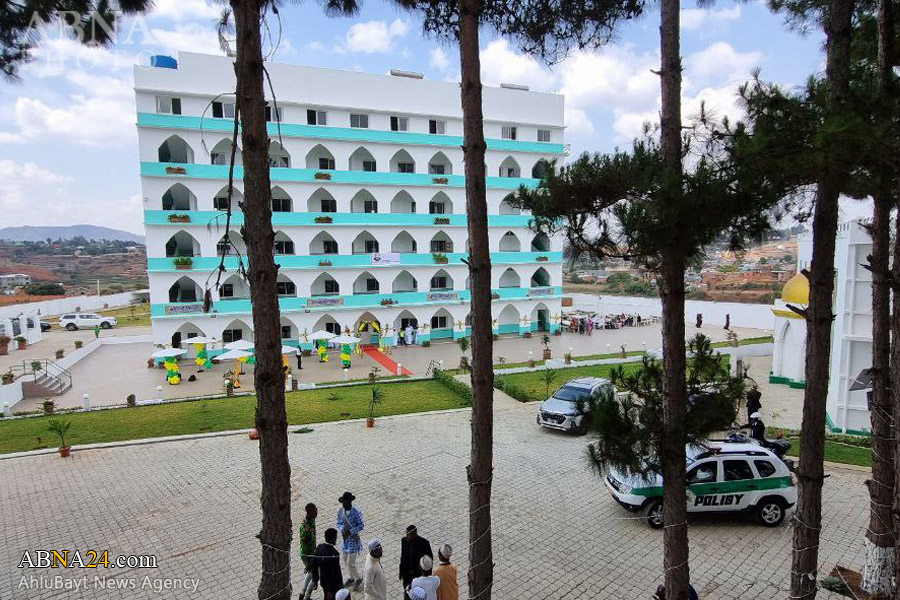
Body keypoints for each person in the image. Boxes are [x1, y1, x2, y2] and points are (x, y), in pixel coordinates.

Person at [337, 492, 365, 592]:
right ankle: (351, 577)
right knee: (344, 559)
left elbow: (361, 526)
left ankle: (358, 578)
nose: (344, 504)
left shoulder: (356, 512)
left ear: (350, 502)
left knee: (351, 563)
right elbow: (338, 522)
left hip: (353, 540)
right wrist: (342, 530)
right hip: (345, 540)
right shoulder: (340, 511)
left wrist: (350, 531)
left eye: (346, 502)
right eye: (343, 502)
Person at [399, 525, 432, 597]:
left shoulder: (424, 543)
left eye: (409, 534)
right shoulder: (404, 541)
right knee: (407, 594)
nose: (407, 536)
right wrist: (401, 572)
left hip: (418, 575)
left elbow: (429, 560)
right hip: (407, 576)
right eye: (406, 534)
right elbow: (403, 557)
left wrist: (427, 576)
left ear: (415, 534)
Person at [313, 528, 343, 600]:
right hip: (333, 586)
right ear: (333, 539)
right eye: (335, 537)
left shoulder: (319, 548)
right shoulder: (334, 554)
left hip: (323, 582)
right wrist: (339, 588)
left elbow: (314, 566)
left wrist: (315, 580)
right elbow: (336, 573)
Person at [298, 503, 318, 600]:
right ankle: (307, 597)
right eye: (314, 511)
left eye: (316, 509)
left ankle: (302, 593)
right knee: (315, 575)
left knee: (310, 573)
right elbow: (304, 544)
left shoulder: (311, 520)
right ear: (309, 512)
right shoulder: (306, 528)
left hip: (311, 553)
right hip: (308, 555)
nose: (316, 512)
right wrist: (309, 562)